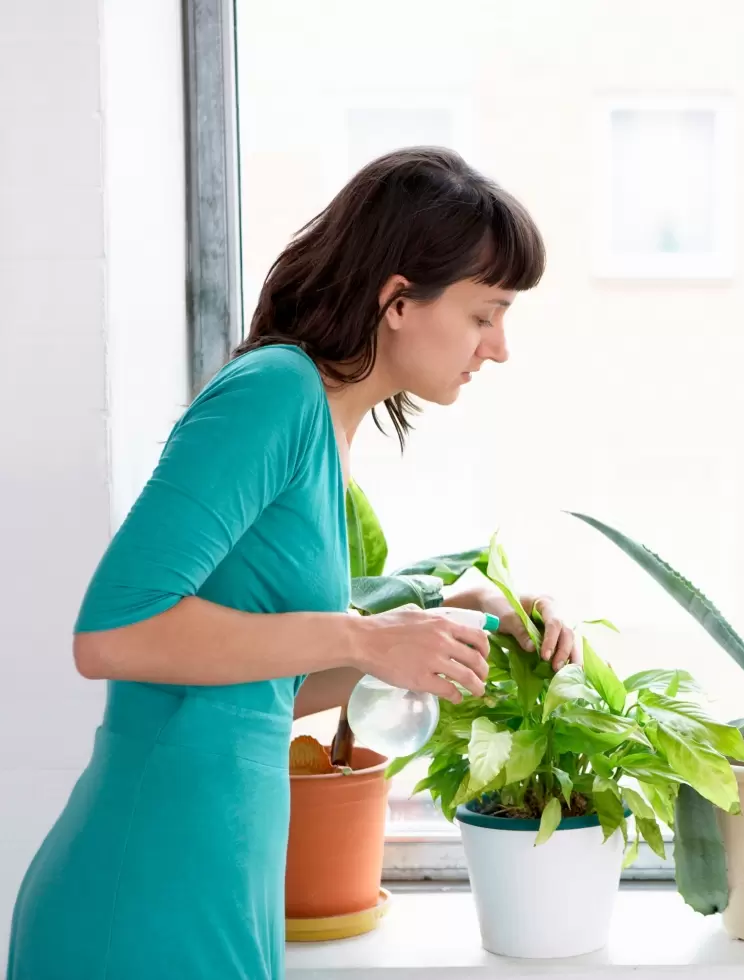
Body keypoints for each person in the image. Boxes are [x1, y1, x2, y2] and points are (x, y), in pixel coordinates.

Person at [7, 147, 577, 979]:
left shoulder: (324, 430)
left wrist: (453, 627)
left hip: (215, 872)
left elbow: (261, 685)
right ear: (397, 301)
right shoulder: (274, 392)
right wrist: (364, 637)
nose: (497, 348)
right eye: (485, 313)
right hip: (146, 886)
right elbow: (113, 632)